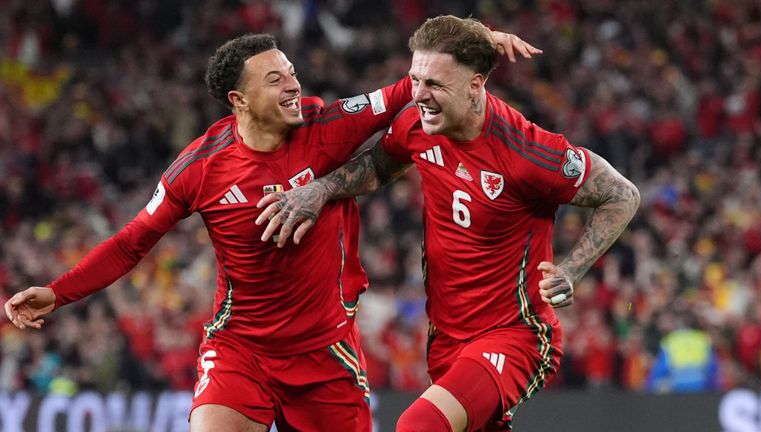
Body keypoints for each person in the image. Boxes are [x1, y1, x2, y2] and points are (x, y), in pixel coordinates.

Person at [4, 29, 540, 432]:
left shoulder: (324, 128)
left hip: (326, 355)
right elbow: (131, 242)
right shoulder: (199, 168)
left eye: (291, 72)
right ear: (238, 100)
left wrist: (474, 45)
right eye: (275, 78)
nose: (294, 84)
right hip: (243, 349)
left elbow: (406, 89)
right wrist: (58, 292)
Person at [256, 15, 641, 432]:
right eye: (415, 80)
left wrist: (571, 268)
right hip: (446, 340)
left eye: (434, 85)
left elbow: (622, 195)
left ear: (475, 85)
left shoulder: (527, 153)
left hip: (515, 337)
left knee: (418, 426)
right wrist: (322, 189)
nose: (419, 95)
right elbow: (379, 165)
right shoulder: (418, 126)